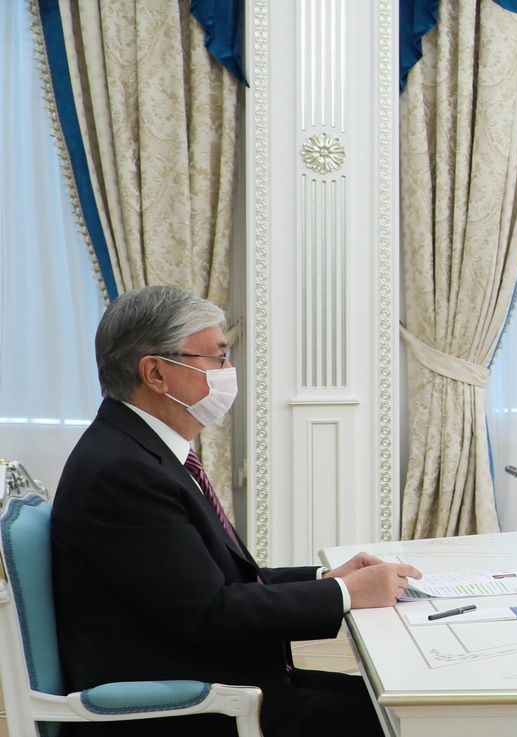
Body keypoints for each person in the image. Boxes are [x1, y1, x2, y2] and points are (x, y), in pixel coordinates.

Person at [52, 286, 420, 737]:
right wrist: (346, 594)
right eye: (217, 358)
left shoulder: (139, 450)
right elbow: (211, 612)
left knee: (404, 701)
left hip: (223, 680)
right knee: (418, 718)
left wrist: (327, 579)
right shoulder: (124, 472)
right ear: (156, 372)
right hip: (186, 708)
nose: (228, 372)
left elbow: (213, 583)